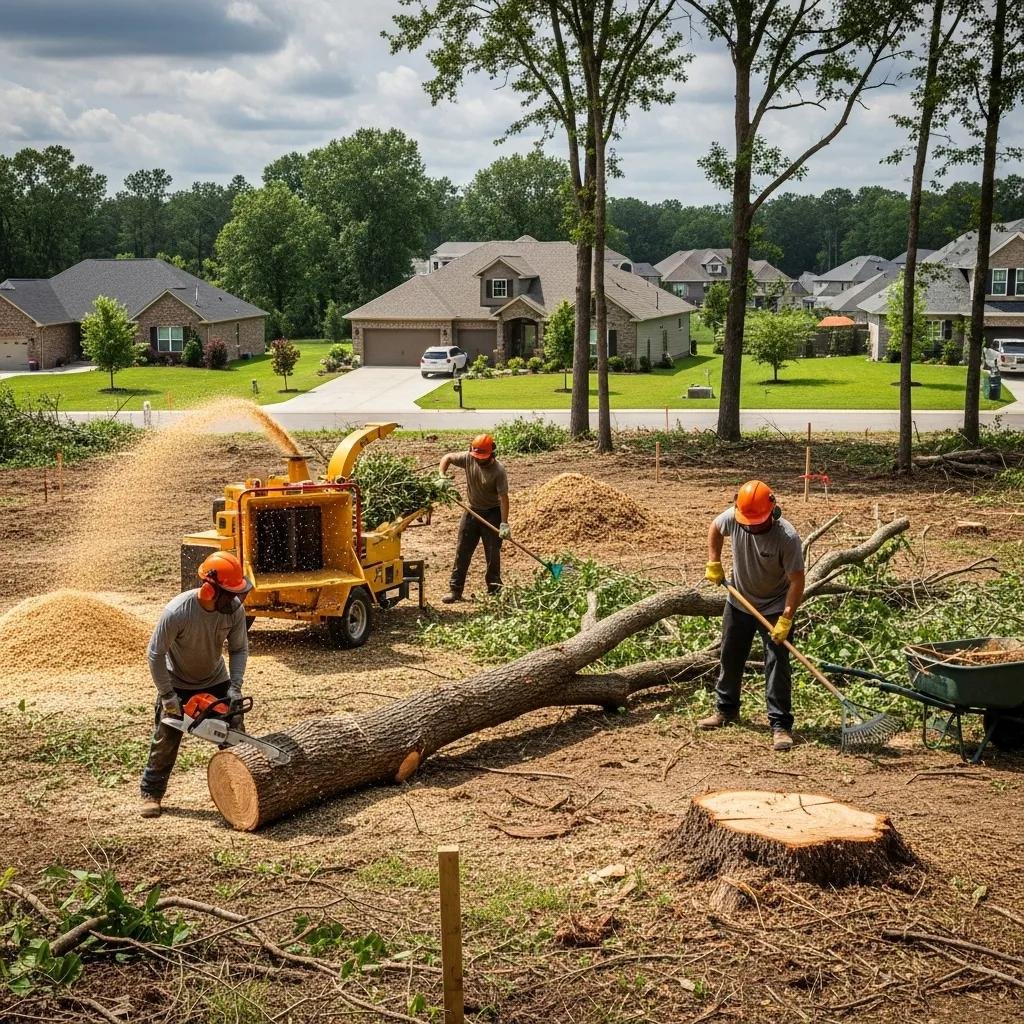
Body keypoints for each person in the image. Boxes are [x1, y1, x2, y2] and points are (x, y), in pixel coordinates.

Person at [139, 551, 252, 818]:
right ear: (210, 589)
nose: (236, 598)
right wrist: (167, 695)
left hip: (216, 681)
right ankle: (151, 793)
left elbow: (239, 650)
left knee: (236, 735)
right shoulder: (178, 612)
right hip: (177, 683)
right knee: (165, 740)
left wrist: (235, 687)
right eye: (230, 592)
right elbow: (155, 653)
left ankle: (245, 788)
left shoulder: (234, 610)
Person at [701, 480, 805, 752]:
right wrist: (714, 561)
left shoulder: (787, 537)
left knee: (776, 664)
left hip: (774, 607)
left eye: (757, 522)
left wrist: (786, 618)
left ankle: (780, 725)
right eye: (748, 521)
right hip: (739, 600)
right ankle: (726, 710)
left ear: (772, 512)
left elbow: (797, 581)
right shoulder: (736, 517)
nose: (751, 526)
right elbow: (715, 527)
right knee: (730, 655)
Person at [438, 433, 510, 603]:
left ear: (491, 454)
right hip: (471, 511)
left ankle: (494, 590)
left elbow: (504, 498)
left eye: (481, 458)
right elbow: (447, 457)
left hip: (492, 513)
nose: (478, 460)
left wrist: (504, 523)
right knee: (462, 550)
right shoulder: (469, 458)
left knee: (492, 554)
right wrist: (441, 475)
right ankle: (455, 590)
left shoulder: (498, 471)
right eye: (476, 456)